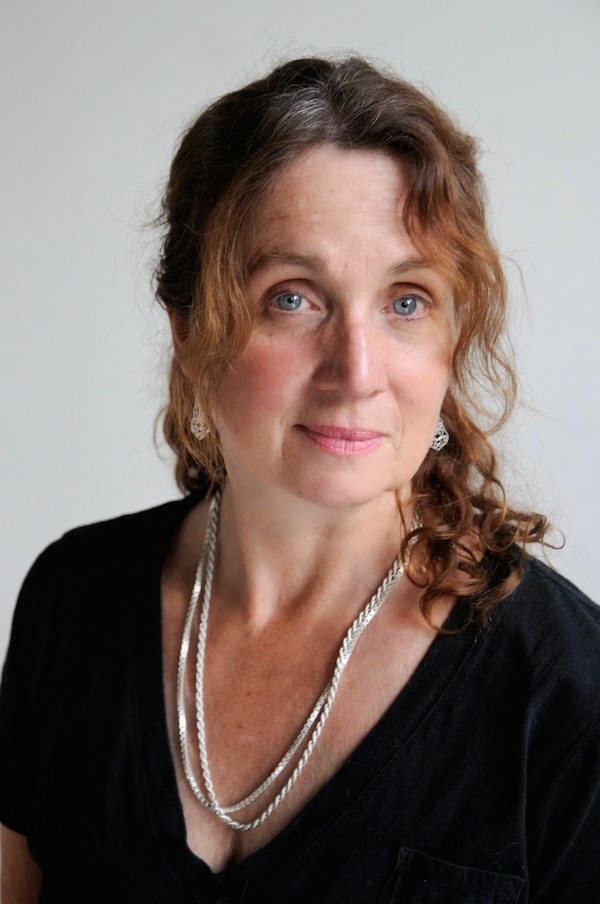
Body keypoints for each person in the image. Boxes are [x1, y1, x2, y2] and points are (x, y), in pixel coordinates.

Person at [1, 55, 599, 904]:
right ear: (188, 328)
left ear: (453, 337)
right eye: (293, 297)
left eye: (406, 301)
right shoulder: (73, 600)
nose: (356, 371)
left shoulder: (569, 690)